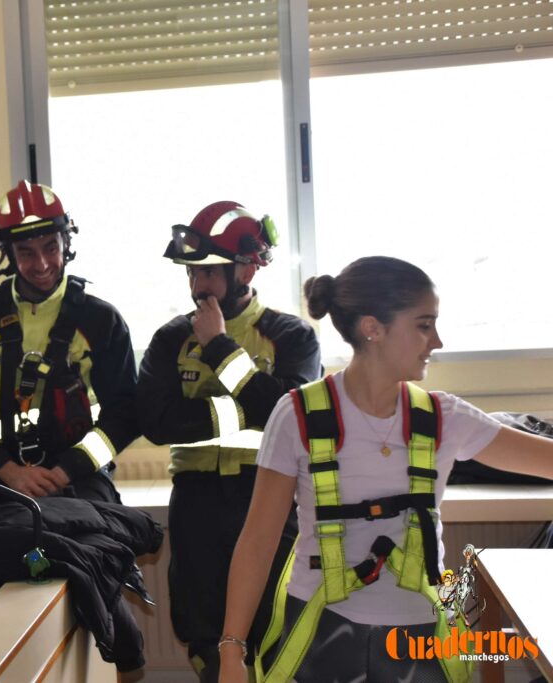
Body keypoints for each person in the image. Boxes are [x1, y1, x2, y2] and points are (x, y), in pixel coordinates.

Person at [219, 256, 553, 683]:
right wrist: (232, 649)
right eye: (423, 325)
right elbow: (258, 541)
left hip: (420, 637)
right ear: (373, 328)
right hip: (320, 632)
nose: (437, 341)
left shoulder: (444, 417)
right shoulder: (297, 415)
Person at [136, 201, 320, 680]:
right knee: (203, 629)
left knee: (273, 624)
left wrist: (219, 348)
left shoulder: (292, 336)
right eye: (192, 274)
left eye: (211, 273)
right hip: (196, 501)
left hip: (268, 496)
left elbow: (290, 416)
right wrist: (244, 408)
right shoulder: (169, 338)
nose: (199, 286)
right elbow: (155, 422)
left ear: (246, 268)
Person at [0, 180, 138, 503]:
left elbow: (126, 414)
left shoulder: (101, 321)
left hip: (81, 482)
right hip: (1, 483)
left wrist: (66, 471)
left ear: (66, 243)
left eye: (51, 248)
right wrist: (6, 470)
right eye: (26, 253)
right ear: (8, 255)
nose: (42, 264)